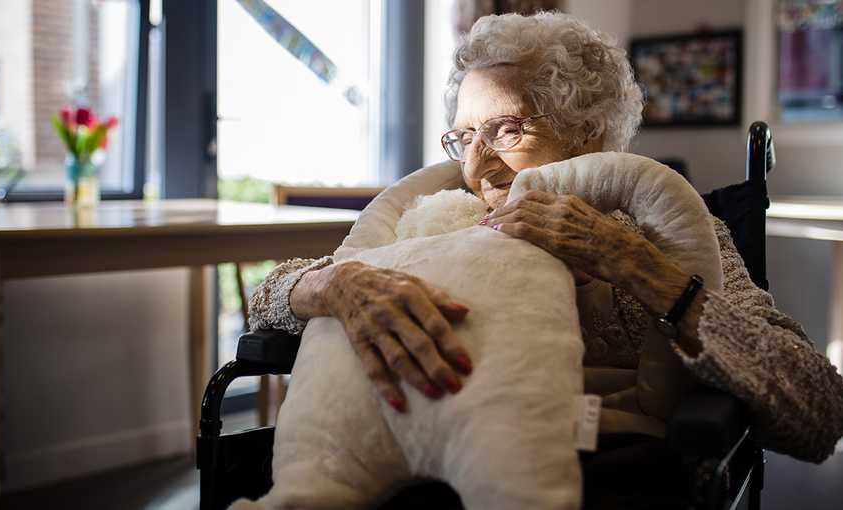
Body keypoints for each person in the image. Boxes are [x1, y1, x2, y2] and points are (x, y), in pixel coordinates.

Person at [250, 12, 843, 464]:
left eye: (504, 130)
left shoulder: (674, 236)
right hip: (431, 460)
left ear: (586, 135)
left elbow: (817, 410)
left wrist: (634, 265)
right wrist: (336, 284)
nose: (477, 168)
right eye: (462, 138)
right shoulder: (442, 221)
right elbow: (266, 297)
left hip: (604, 473)